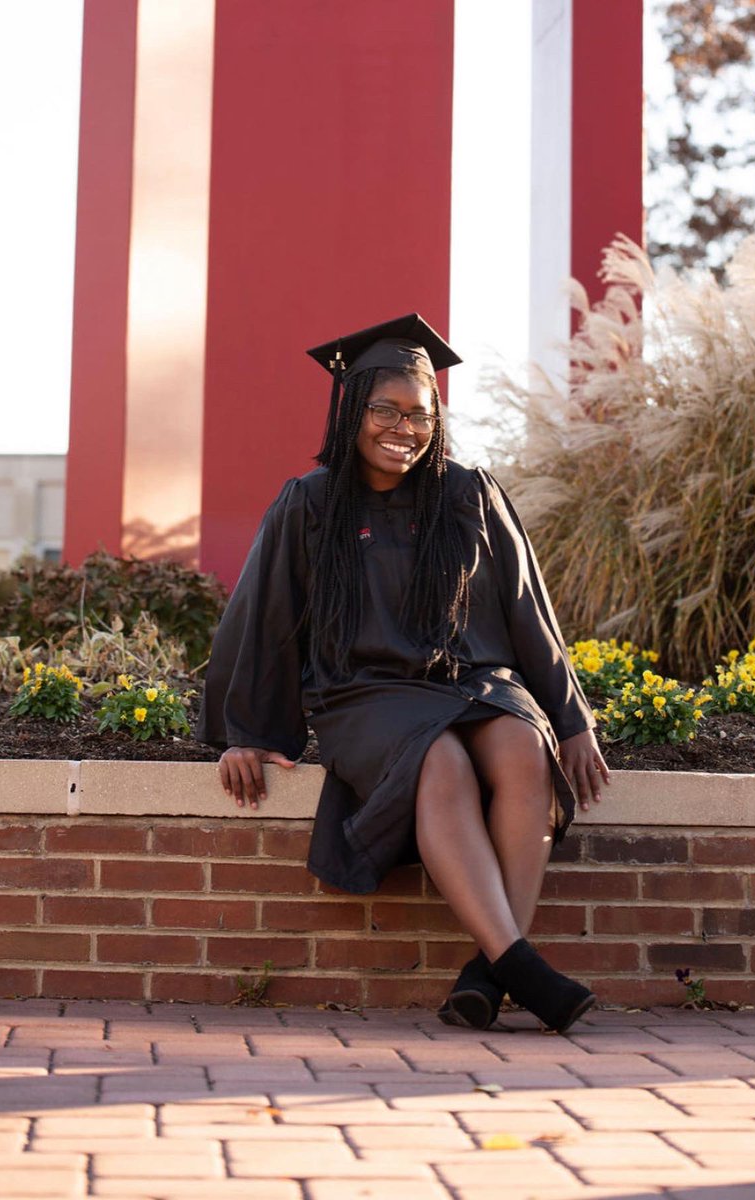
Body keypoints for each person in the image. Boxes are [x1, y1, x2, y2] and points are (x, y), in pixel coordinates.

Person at [197, 313, 610, 1033]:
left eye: (420, 414)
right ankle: (519, 965)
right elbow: (264, 618)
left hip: (473, 678)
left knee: (521, 747)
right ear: (351, 410)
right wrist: (248, 731)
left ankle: (492, 971)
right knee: (439, 761)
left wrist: (569, 721)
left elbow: (526, 610)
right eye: (385, 410)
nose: (404, 427)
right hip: (366, 694)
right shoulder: (312, 505)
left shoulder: (468, 492)